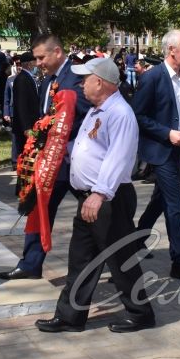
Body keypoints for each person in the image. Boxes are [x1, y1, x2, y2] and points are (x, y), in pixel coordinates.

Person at [35, 57, 156, 333]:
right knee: (80, 259)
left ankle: (141, 314)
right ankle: (70, 317)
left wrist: (99, 194)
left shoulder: (120, 113)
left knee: (120, 260)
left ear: (99, 82)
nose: (80, 84)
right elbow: (87, 148)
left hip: (107, 199)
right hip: (90, 198)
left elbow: (118, 158)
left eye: (84, 79)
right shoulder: (97, 110)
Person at [0, 34, 91, 280]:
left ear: (57, 52)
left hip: (76, 161)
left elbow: (82, 115)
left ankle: (121, 258)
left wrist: (56, 134)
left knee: (100, 213)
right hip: (53, 162)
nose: (37, 62)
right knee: (39, 207)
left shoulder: (76, 78)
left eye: (42, 57)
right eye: (36, 58)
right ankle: (30, 264)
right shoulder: (49, 79)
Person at [134, 29, 180, 283]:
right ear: (171, 50)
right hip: (161, 150)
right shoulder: (152, 78)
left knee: (160, 201)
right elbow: (139, 116)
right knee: (175, 206)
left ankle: (133, 243)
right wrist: (167, 134)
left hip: (179, 146)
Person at [10, 51, 40, 168]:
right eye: (34, 61)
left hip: (31, 123)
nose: (37, 64)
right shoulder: (22, 79)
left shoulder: (28, 77)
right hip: (26, 127)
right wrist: (26, 127)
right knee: (25, 156)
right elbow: (21, 104)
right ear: (28, 64)